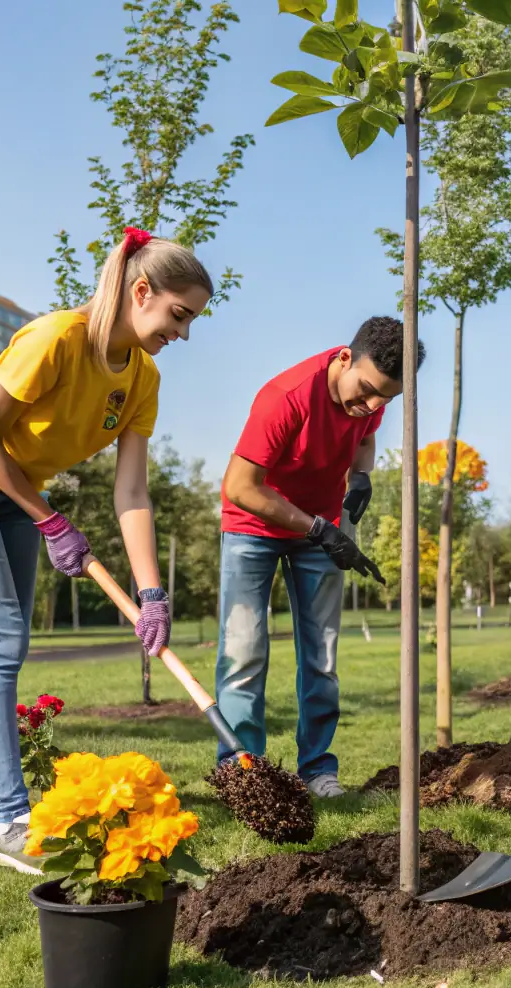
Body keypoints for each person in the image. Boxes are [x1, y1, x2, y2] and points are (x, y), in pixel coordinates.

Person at [0, 228, 212, 874]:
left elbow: (132, 494)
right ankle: (6, 820)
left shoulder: (142, 379)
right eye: (178, 315)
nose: (182, 333)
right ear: (140, 291)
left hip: (15, 491)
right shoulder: (55, 340)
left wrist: (151, 592)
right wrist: (50, 522)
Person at [217, 316, 422, 797]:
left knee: (322, 656)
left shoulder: (371, 400)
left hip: (321, 527)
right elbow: (240, 487)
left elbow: (365, 439)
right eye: (367, 390)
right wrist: (317, 528)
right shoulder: (286, 397)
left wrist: (360, 478)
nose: (370, 406)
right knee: (243, 653)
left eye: (385, 399)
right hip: (254, 528)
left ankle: (316, 771)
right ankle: (243, 776)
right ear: (345, 358)